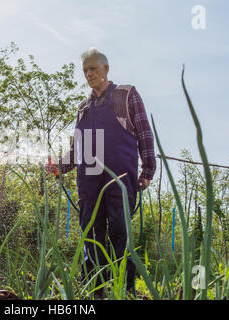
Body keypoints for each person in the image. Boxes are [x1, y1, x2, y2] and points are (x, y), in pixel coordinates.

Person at [45, 48, 156, 298]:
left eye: (93, 68)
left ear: (106, 69)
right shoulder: (83, 108)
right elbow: (77, 149)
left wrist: (148, 169)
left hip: (121, 177)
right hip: (90, 181)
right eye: (85, 70)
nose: (89, 74)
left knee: (120, 232)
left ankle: (124, 289)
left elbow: (145, 133)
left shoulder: (126, 95)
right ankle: (95, 292)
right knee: (92, 235)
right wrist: (58, 167)